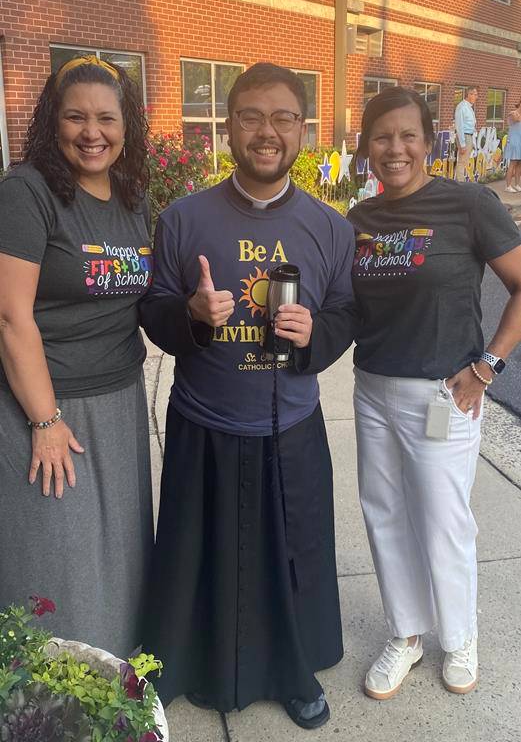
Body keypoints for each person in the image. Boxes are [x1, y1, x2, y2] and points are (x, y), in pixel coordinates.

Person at [140, 63, 356, 729]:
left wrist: (317, 330)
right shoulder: (182, 219)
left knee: (288, 560)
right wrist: (194, 318)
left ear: (302, 129)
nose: (267, 132)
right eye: (251, 116)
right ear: (229, 126)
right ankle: (177, 664)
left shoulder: (330, 226)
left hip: (289, 423)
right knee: (193, 558)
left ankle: (290, 670)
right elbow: (152, 310)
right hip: (204, 420)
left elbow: (348, 313)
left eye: (283, 118)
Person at [348, 86, 521, 700]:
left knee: (445, 522)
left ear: (429, 141)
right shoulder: (360, 221)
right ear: (366, 147)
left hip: (445, 394)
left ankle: (460, 635)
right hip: (372, 389)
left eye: (407, 135)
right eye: (381, 137)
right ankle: (407, 633)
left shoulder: (468, 204)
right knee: (385, 514)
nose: (395, 149)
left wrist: (487, 367)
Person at [0, 55, 153, 658]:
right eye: (75, 117)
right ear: (51, 122)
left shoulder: (131, 195)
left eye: (106, 119)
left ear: (126, 125)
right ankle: (54, 698)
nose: (92, 133)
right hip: (47, 406)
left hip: (119, 399)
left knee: (119, 554)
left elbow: (141, 297)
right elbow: (12, 318)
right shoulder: (26, 192)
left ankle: (119, 682)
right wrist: (44, 421)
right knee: (59, 562)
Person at [454, 85, 478, 181]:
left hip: (469, 136)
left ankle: (459, 184)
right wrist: (462, 144)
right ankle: (460, 185)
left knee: (464, 162)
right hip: (464, 136)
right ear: (469, 94)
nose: (476, 97)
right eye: (475, 94)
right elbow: (459, 126)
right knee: (462, 162)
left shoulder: (469, 107)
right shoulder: (462, 107)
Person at [504, 100, 521, 193]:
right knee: (513, 163)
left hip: (520, 141)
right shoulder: (513, 113)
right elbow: (516, 119)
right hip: (514, 141)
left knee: (519, 164)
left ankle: (517, 184)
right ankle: (508, 185)